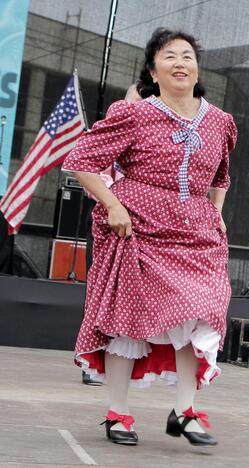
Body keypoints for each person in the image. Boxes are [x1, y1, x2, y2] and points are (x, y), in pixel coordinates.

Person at [62, 28, 237, 446]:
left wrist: (216, 212)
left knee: (200, 312)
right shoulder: (133, 113)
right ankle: (118, 413)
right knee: (128, 323)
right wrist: (113, 205)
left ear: (197, 69)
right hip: (137, 226)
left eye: (188, 56)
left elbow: (222, 176)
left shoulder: (220, 122)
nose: (180, 63)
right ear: (153, 70)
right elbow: (81, 160)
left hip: (196, 231)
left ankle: (184, 410)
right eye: (170, 56)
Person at [81, 84, 138, 386]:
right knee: (102, 293)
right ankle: (92, 359)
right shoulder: (108, 140)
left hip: (145, 230)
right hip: (109, 226)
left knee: (130, 301)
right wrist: (116, 201)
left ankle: (130, 362)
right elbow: (89, 176)